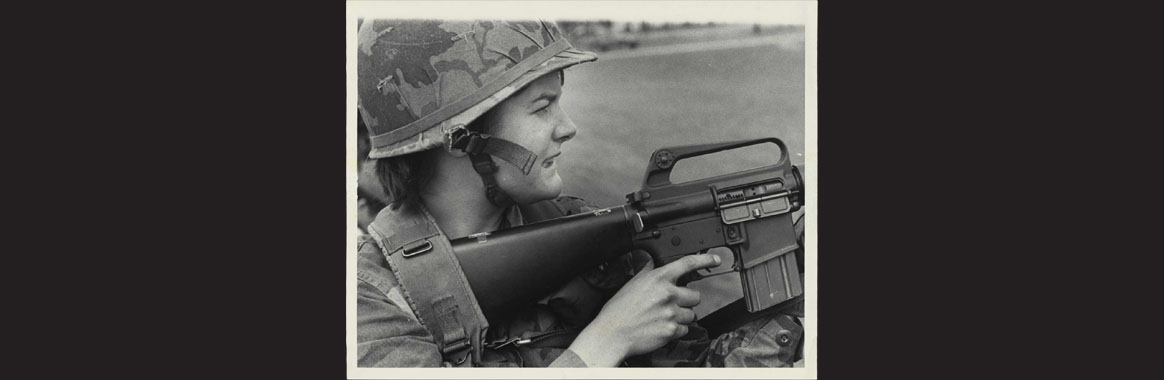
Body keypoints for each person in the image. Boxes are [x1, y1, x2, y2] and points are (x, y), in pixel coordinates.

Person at [356, 19, 803, 368]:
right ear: (459, 138)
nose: (568, 127)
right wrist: (607, 340)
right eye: (542, 106)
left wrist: (797, 300)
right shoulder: (367, 301)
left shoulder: (588, 232)